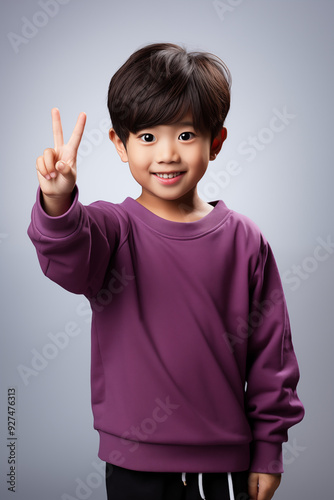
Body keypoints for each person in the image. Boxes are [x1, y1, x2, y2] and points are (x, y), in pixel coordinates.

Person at [28, 43, 304, 500]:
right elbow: (68, 256)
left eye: (186, 135)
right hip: (133, 464)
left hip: (224, 465)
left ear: (215, 142)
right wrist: (57, 200)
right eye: (148, 137)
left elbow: (271, 355)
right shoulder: (110, 228)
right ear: (120, 144)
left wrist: (270, 449)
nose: (167, 154)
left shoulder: (246, 241)